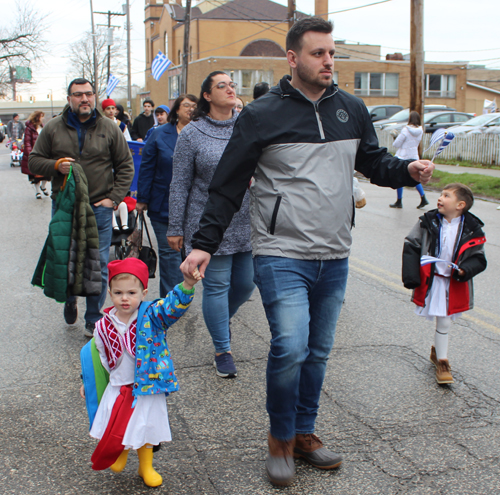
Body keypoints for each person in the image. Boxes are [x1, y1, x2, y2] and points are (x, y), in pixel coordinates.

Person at [180, 17, 435, 486]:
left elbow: (372, 162)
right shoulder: (261, 115)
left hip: (335, 253)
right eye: (319, 54)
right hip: (281, 252)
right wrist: (202, 245)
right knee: (291, 345)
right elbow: (227, 185)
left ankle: (303, 433)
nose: (329, 62)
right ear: (293, 58)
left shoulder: (351, 109)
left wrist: (406, 170)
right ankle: (279, 439)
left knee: (317, 352)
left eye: (332, 53)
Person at [81, 257, 201, 487]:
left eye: (131, 293)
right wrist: (86, 382)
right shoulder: (103, 325)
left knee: (146, 427)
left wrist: (187, 284)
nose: (125, 298)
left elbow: (171, 307)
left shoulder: (152, 316)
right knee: (119, 424)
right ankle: (121, 452)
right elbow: (96, 356)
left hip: (147, 386)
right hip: (117, 384)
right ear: (109, 292)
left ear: (144, 293)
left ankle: (146, 466)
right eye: (118, 293)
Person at [29, 77, 134, 337]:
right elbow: (33, 161)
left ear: (94, 97)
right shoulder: (53, 128)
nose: (84, 99)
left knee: (97, 263)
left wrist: (113, 199)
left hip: (98, 207)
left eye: (88, 94)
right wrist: (55, 166)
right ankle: (69, 299)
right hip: (65, 207)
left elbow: (125, 166)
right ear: (69, 99)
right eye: (78, 95)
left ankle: (93, 317)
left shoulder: (109, 128)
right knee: (66, 260)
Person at [167, 72, 255, 379]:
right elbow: (179, 185)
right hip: (207, 225)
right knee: (216, 287)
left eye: (233, 84)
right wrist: (175, 228)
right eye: (222, 85)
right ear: (207, 95)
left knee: (246, 284)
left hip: (246, 220)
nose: (231, 88)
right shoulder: (192, 134)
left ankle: (219, 319)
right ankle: (222, 349)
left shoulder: (249, 125)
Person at [402, 183, 486, 384]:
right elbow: (411, 245)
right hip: (432, 281)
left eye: (446, 195)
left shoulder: (472, 229)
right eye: (440, 194)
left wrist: (465, 270)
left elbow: (479, 258)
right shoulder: (427, 221)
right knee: (443, 320)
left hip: (454, 284)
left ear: (460, 205)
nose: (440, 198)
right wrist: (411, 276)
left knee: (445, 321)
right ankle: (439, 354)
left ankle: (442, 361)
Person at [137, 94, 198, 297]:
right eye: (186, 106)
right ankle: (171, 301)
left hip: (195, 204)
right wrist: (142, 198)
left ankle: (186, 290)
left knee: (189, 252)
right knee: (170, 254)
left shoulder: (203, 133)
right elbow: (147, 167)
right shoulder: (159, 134)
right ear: (177, 110)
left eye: (195, 106)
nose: (191, 109)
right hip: (163, 203)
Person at [389, 111, 429, 209]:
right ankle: (423, 198)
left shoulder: (405, 130)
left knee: (399, 178)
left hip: (403, 157)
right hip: (414, 156)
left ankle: (399, 201)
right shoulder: (420, 130)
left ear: (410, 119)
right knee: (416, 178)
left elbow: (396, 144)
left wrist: (394, 136)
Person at [20, 110, 50, 199]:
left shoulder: (42, 127)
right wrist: (30, 154)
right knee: (35, 174)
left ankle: (43, 186)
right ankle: (37, 191)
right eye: (41, 116)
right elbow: (27, 142)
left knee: (46, 172)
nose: (43, 118)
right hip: (35, 153)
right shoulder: (29, 128)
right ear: (37, 117)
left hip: (43, 153)